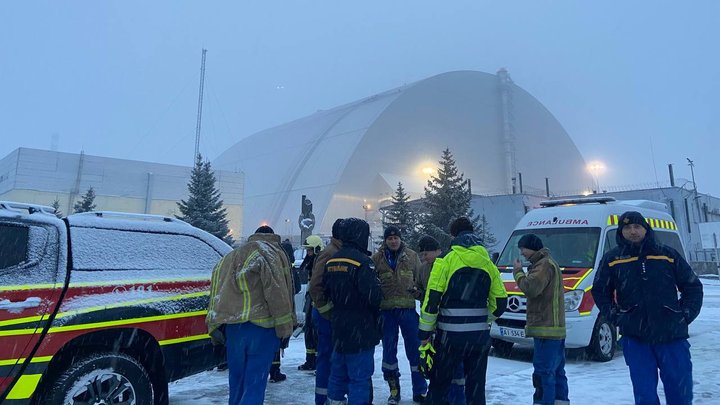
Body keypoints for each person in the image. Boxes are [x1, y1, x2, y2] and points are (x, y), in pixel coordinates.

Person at [592, 211, 703, 405]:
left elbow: (692, 286)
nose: (632, 231)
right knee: (645, 396)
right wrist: (617, 316)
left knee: (680, 392)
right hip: (636, 339)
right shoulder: (613, 259)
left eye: (637, 227)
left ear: (645, 229)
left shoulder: (667, 255)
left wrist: (684, 315)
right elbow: (600, 291)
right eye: (627, 227)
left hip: (672, 336)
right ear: (621, 231)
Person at [419, 217, 507, 405]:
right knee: (476, 388)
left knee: (439, 386)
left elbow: (432, 301)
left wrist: (425, 333)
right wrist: (484, 317)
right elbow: (500, 304)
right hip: (478, 339)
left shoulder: (445, 261)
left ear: (453, 235)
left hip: (449, 338)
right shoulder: (488, 263)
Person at [206, 225, 296, 405]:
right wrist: (285, 328)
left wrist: (214, 326)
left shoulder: (229, 257)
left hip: (233, 329)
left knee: (237, 383)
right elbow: (277, 292)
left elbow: (216, 292)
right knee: (254, 383)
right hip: (262, 329)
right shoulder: (270, 254)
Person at [323, 218, 383, 405]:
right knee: (359, 378)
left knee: (337, 374)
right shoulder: (363, 262)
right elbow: (373, 295)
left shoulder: (332, 260)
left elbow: (325, 289)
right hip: (361, 327)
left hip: (339, 325)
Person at [372, 225, 427, 404]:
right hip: (387, 313)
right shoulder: (377, 258)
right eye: (390, 238)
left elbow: (421, 282)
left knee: (415, 351)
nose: (393, 241)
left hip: (408, 312)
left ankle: (420, 390)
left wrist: (418, 293)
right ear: (386, 240)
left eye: (396, 238)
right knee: (389, 353)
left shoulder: (411, 257)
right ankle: (394, 390)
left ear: (400, 239)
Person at [512, 234, 569, 405]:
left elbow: (531, 288)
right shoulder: (547, 262)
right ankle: (560, 401)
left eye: (523, 249)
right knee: (557, 372)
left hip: (545, 329)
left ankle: (543, 402)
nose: (522, 253)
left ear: (533, 247)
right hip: (555, 329)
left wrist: (518, 272)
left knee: (543, 374)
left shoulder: (543, 265)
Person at [413, 235, 465, 405]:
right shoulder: (423, 269)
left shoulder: (447, 265)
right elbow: (423, 292)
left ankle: (456, 397)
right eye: (422, 254)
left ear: (438, 251)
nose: (424, 257)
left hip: (447, 323)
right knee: (433, 364)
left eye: (427, 253)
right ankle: (438, 396)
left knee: (454, 366)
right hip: (430, 323)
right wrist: (417, 293)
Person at [309, 219, 344, 405]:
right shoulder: (330, 253)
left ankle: (331, 397)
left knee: (333, 357)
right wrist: (326, 310)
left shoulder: (337, 251)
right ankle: (322, 399)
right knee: (326, 357)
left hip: (330, 315)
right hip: (325, 316)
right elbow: (315, 285)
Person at [298, 234, 325, 371]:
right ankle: (310, 360)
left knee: (317, 332)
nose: (308, 253)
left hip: (317, 300)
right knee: (309, 329)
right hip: (310, 298)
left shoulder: (321, 262)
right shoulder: (310, 262)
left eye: (310, 250)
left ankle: (319, 362)